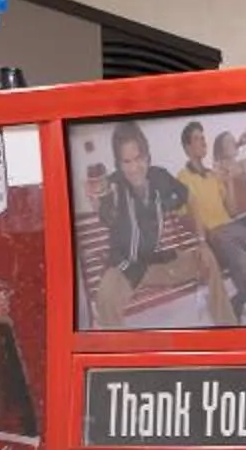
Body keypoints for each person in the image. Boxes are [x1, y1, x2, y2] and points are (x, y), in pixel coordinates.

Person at [88, 120, 230, 327]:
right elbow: (108, 214)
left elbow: (189, 197)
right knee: (105, 299)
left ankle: (227, 328)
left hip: (156, 262)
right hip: (125, 268)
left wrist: (200, 240)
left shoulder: (159, 176)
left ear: (147, 156)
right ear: (118, 164)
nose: (135, 168)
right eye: (126, 162)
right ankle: (119, 357)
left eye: (139, 159)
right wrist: (97, 206)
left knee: (206, 257)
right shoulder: (114, 185)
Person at [179, 121, 246, 320]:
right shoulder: (182, 178)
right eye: (197, 138)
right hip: (215, 235)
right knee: (238, 258)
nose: (203, 141)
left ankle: (240, 300)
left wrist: (229, 180)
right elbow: (183, 217)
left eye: (203, 137)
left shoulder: (213, 175)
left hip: (232, 227)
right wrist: (203, 235)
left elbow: (230, 210)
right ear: (187, 147)